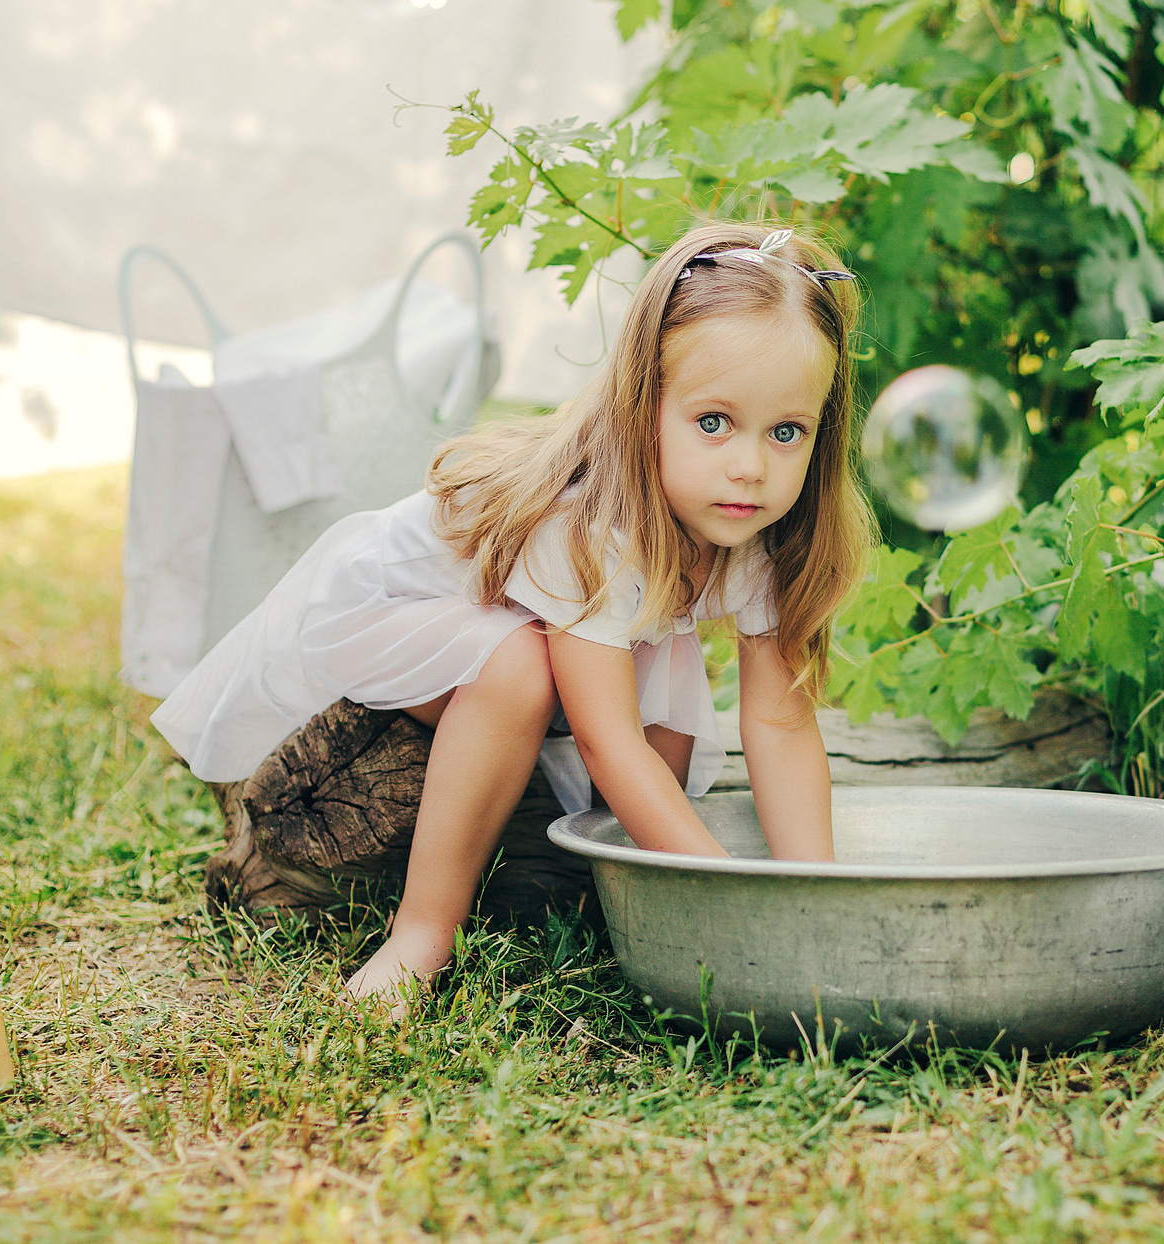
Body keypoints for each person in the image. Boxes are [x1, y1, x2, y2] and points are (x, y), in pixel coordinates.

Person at [151, 221, 875, 1012]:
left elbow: (779, 725)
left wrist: (817, 899)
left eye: (787, 432)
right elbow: (605, 738)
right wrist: (731, 896)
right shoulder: (588, 526)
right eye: (713, 422)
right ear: (643, 408)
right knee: (521, 668)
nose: (750, 465)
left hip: (536, 631)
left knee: (666, 712)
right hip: (391, 618)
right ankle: (423, 932)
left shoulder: (755, 532)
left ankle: (619, 883)